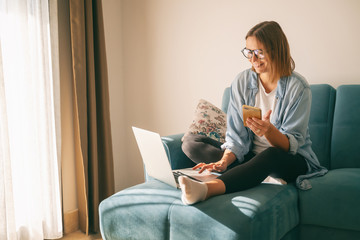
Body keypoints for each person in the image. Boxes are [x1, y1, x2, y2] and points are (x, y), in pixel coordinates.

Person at [179, 21, 327, 205]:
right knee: (191, 143)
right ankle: (249, 172)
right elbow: (236, 138)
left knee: (270, 155)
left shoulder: (298, 88)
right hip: (249, 156)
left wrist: (269, 131)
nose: (252, 59)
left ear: (277, 50)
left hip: (287, 160)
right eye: (249, 52)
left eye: (259, 52)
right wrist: (224, 161)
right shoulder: (241, 82)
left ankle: (208, 189)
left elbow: (291, 145)